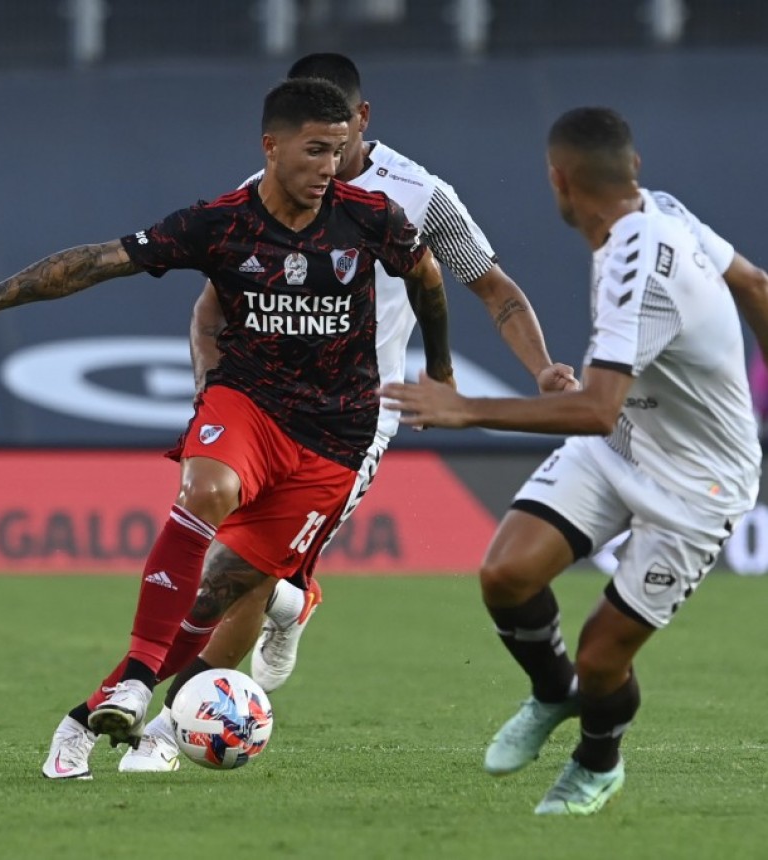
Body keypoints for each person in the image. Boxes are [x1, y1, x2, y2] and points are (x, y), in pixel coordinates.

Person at [0, 77, 455, 781]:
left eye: (340, 149)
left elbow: (428, 278)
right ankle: (139, 683)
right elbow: (96, 262)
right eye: (316, 149)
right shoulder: (223, 224)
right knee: (207, 488)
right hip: (249, 404)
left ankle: (83, 722)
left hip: (336, 438)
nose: (331, 165)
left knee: (222, 590)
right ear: (271, 146)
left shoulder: (373, 218)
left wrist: (440, 372)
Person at [118, 52, 579, 774]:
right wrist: (212, 388)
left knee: (237, 569)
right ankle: (287, 605)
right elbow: (210, 307)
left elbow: (491, 287)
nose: (328, 154)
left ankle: (167, 733)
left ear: (362, 119)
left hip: (358, 418)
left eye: (338, 135)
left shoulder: (419, 196)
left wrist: (541, 367)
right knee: (236, 562)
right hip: (264, 408)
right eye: (310, 138)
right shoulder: (263, 194)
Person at [381, 106, 766, 815]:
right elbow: (758, 286)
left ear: (558, 181)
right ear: (635, 171)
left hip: (697, 485)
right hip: (622, 443)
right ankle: (551, 694)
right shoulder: (665, 211)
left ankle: (597, 762)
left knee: (602, 657)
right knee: (506, 572)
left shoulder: (637, 265)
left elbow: (596, 408)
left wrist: (467, 410)